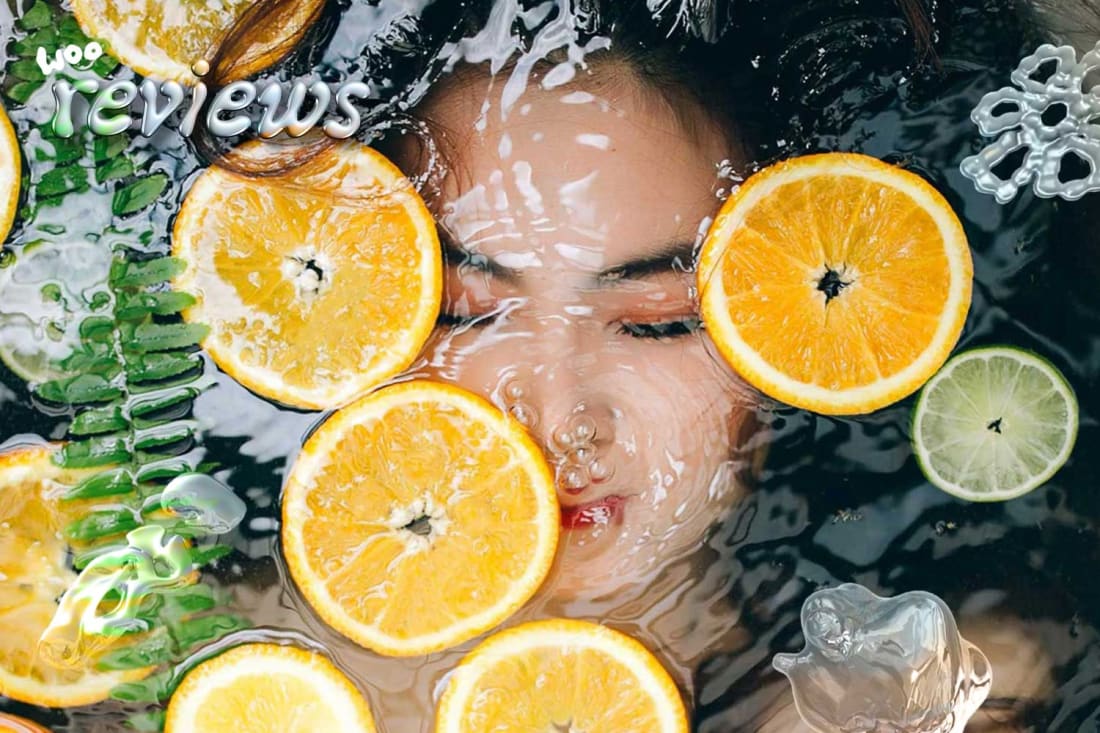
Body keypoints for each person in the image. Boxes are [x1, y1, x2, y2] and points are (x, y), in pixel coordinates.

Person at [208, 0, 1065, 729]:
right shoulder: (160, 659)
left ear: (788, 348)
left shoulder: (948, 687)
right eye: (463, 313)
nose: (560, 414)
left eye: (657, 322)